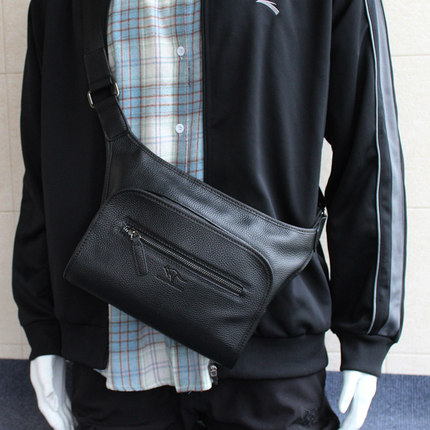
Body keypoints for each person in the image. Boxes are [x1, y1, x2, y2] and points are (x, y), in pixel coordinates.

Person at [12, 0, 406, 429]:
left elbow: (369, 148)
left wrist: (367, 333)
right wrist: (44, 330)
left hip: (268, 346)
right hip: (113, 351)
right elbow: (43, 162)